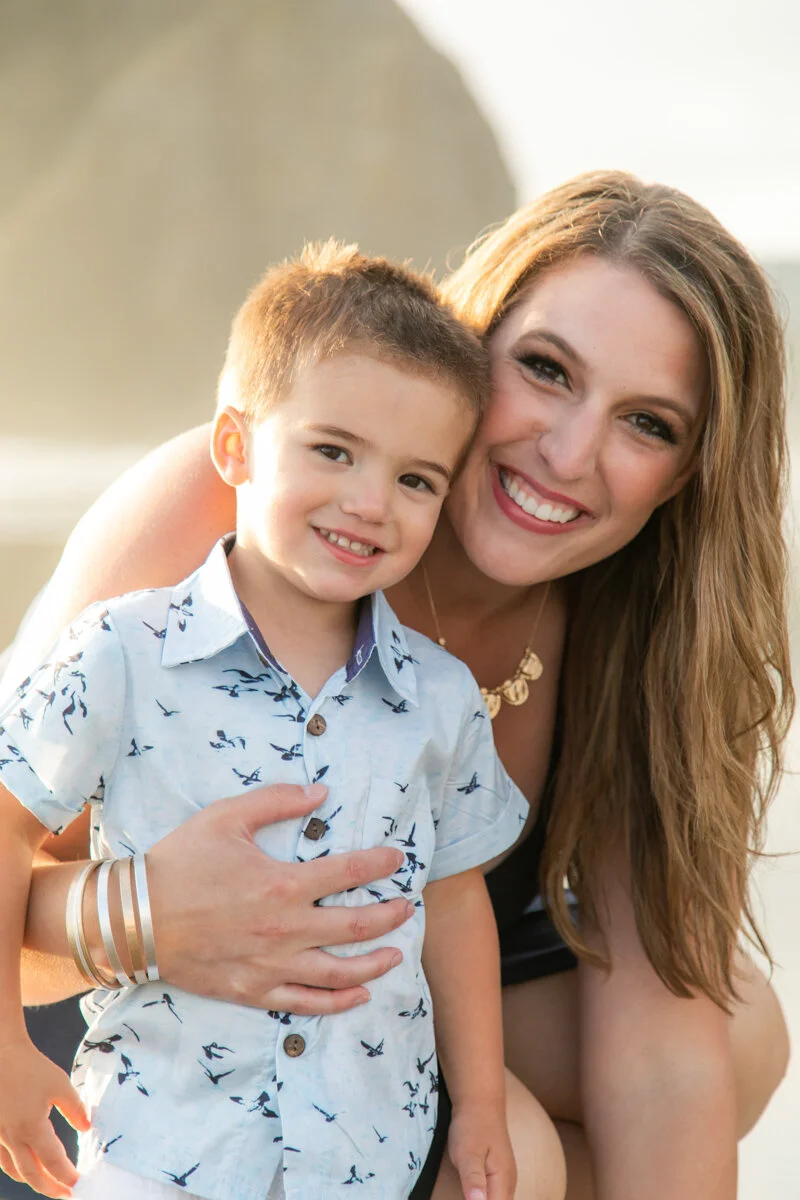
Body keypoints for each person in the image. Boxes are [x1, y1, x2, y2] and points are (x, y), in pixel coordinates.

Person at [5, 172, 793, 1200]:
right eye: (546, 369)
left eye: (646, 424)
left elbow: (659, 1046)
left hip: (384, 1003)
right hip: (116, 1019)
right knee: (528, 1148)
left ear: (689, 469)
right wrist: (144, 911)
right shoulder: (229, 505)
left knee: (726, 1029)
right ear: (469, 347)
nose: (567, 454)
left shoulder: (639, 624)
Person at [0, 244, 527, 1200]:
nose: (370, 503)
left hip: (365, 1154)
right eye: (333, 450)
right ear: (236, 446)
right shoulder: (123, 650)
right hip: (160, 1147)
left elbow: (452, 902)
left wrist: (481, 1104)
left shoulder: (441, 700)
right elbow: (4, 822)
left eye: (417, 480)